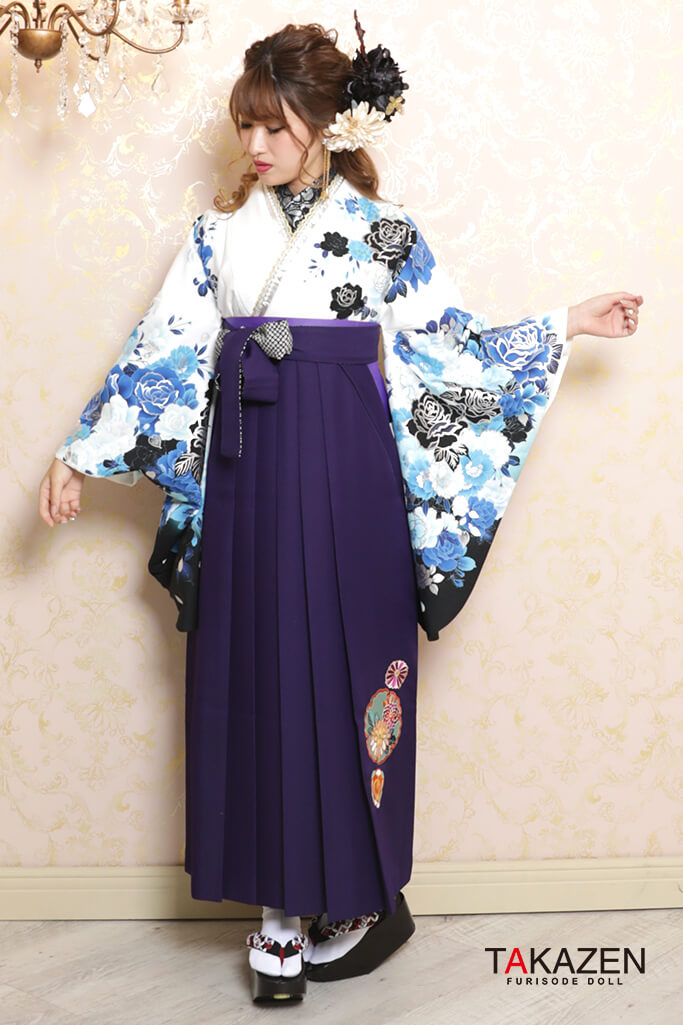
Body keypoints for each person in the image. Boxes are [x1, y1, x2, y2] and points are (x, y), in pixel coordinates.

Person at [38, 16, 643, 1005]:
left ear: (327, 124)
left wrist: (562, 322)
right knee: (256, 671)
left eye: (274, 126)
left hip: (351, 465)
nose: (255, 145)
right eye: (245, 125)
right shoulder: (218, 235)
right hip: (247, 467)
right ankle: (277, 916)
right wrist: (77, 453)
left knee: (351, 669)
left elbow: (449, 348)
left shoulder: (384, 228)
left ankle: (360, 901)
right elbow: (165, 348)